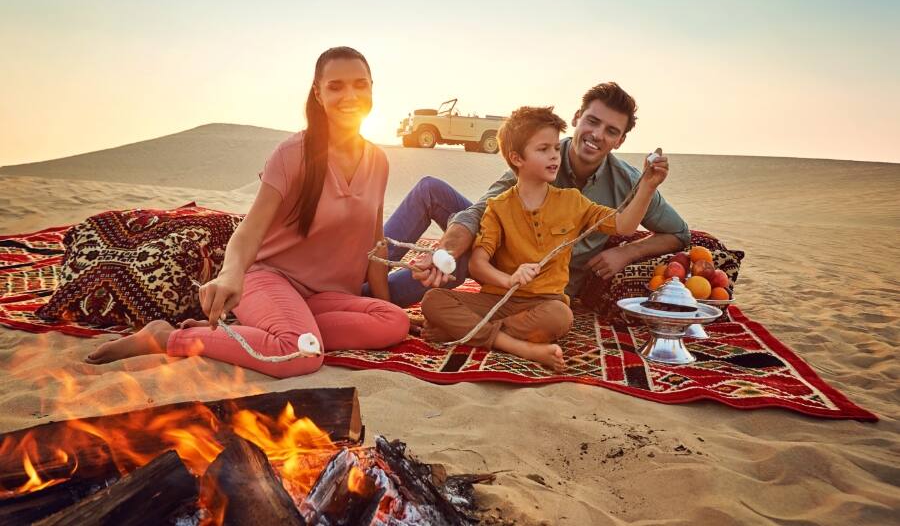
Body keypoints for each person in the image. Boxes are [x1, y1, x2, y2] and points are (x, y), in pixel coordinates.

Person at [86, 46, 409, 377]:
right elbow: (250, 230)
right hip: (270, 280)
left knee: (394, 322)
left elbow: (375, 243)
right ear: (318, 92)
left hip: (326, 297)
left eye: (360, 84)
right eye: (336, 86)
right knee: (300, 354)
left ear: (372, 87)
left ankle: (269, 330)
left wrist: (384, 303)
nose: (350, 95)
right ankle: (166, 337)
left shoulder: (378, 161)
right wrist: (230, 274)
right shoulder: (292, 153)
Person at [371, 82, 689, 307]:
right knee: (431, 191)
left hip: (539, 285)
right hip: (499, 251)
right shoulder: (539, 155)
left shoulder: (630, 183)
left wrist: (625, 253)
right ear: (577, 119)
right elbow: (480, 211)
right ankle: (357, 275)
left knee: (464, 257)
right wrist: (447, 249)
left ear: (619, 141)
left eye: (611, 131)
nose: (596, 135)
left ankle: (367, 298)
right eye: (592, 121)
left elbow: (679, 233)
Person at [419, 107, 668, 371]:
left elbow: (623, 225)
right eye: (543, 149)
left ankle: (467, 332)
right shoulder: (498, 206)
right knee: (433, 300)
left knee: (561, 317)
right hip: (498, 300)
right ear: (517, 158)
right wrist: (510, 279)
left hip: (544, 305)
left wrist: (648, 187)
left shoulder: (572, 201)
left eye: (555, 148)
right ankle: (516, 345)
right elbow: (478, 264)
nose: (554, 155)